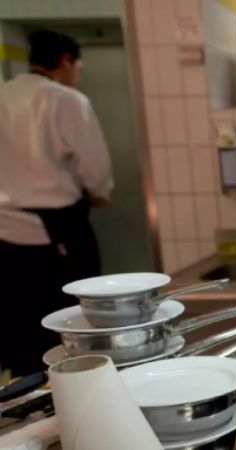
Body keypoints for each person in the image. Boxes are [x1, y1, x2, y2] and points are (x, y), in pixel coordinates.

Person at [0, 30, 112, 375]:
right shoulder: (66, 100)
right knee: (70, 330)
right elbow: (95, 173)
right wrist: (99, 193)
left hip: (5, 234)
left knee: (18, 329)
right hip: (58, 235)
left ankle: (20, 404)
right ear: (66, 61)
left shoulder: (3, 95)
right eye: (78, 65)